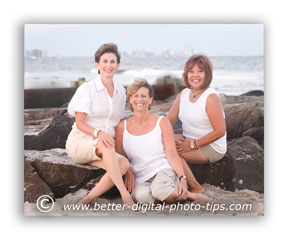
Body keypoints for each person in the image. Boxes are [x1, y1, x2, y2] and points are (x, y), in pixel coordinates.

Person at [115, 79, 211, 204]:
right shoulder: (122, 127)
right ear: (130, 99)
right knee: (141, 197)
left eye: (144, 96)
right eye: (135, 96)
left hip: (163, 169)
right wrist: (128, 172)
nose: (140, 100)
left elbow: (171, 154)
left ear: (150, 100)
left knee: (159, 191)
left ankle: (190, 195)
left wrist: (182, 178)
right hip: (141, 176)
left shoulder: (162, 122)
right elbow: (120, 156)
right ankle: (174, 194)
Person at [65, 43, 134, 206]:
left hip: (105, 147)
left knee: (124, 163)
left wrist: (128, 165)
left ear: (117, 65)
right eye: (104, 61)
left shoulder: (121, 92)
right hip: (80, 142)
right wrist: (99, 133)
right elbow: (80, 123)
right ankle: (125, 196)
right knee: (105, 144)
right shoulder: (87, 89)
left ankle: (87, 199)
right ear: (97, 64)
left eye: (112, 61)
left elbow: (116, 127)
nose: (108, 65)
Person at [167, 54, 227, 190]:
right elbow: (169, 120)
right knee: (164, 144)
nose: (195, 75)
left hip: (211, 146)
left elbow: (220, 131)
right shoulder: (183, 94)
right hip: (189, 140)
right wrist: (164, 136)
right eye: (191, 71)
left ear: (208, 74)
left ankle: (196, 187)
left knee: (172, 153)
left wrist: (193, 145)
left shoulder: (211, 98)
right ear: (186, 74)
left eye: (200, 71)